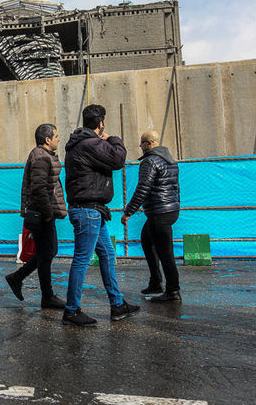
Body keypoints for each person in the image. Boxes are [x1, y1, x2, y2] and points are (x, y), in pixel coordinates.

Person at [62, 104, 139, 326]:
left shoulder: (79, 144)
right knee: (82, 260)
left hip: (92, 210)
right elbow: (117, 160)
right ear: (100, 123)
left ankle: (117, 304)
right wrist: (114, 139)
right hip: (88, 211)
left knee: (107, 254)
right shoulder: (90, 143)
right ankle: (71, 310)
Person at [5, 123, 67, 309]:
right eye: (56, 136)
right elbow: (38, 188)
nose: (58, 139)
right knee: (47, 252)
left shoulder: (43, 155)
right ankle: (45, 295)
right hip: (42, 213)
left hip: (44, 212)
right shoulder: (41, 157)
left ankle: (18, 278)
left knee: (47, 252)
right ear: (47, 140)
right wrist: (48, 214)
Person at [121, 130, 181, 302]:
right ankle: (155, 282)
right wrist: (176, 205)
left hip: (159, 212)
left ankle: (173, 291)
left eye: (141, 143)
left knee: (165, 253)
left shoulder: (149, 161)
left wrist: (128, 212)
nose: (140, 146)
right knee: (147, 241)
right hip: (169, 210)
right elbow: (176, 187)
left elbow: (143, 189)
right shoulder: (170, 160)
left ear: (149, 143)